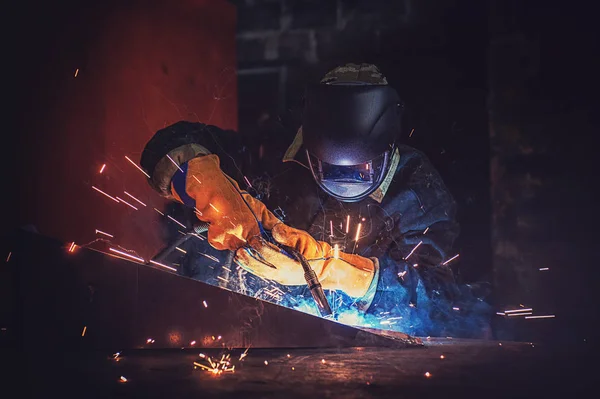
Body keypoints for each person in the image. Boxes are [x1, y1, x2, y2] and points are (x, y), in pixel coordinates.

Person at [140, 63, 490, 337]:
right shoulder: (273, 154)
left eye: (362, 169)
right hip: (264, 336)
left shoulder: (419, 189)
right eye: (327, 167)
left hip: (370, 355)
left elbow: (445, 304)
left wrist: (338, 273)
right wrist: (206, 183)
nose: (345, 179)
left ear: (388, 149)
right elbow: (169, 144)